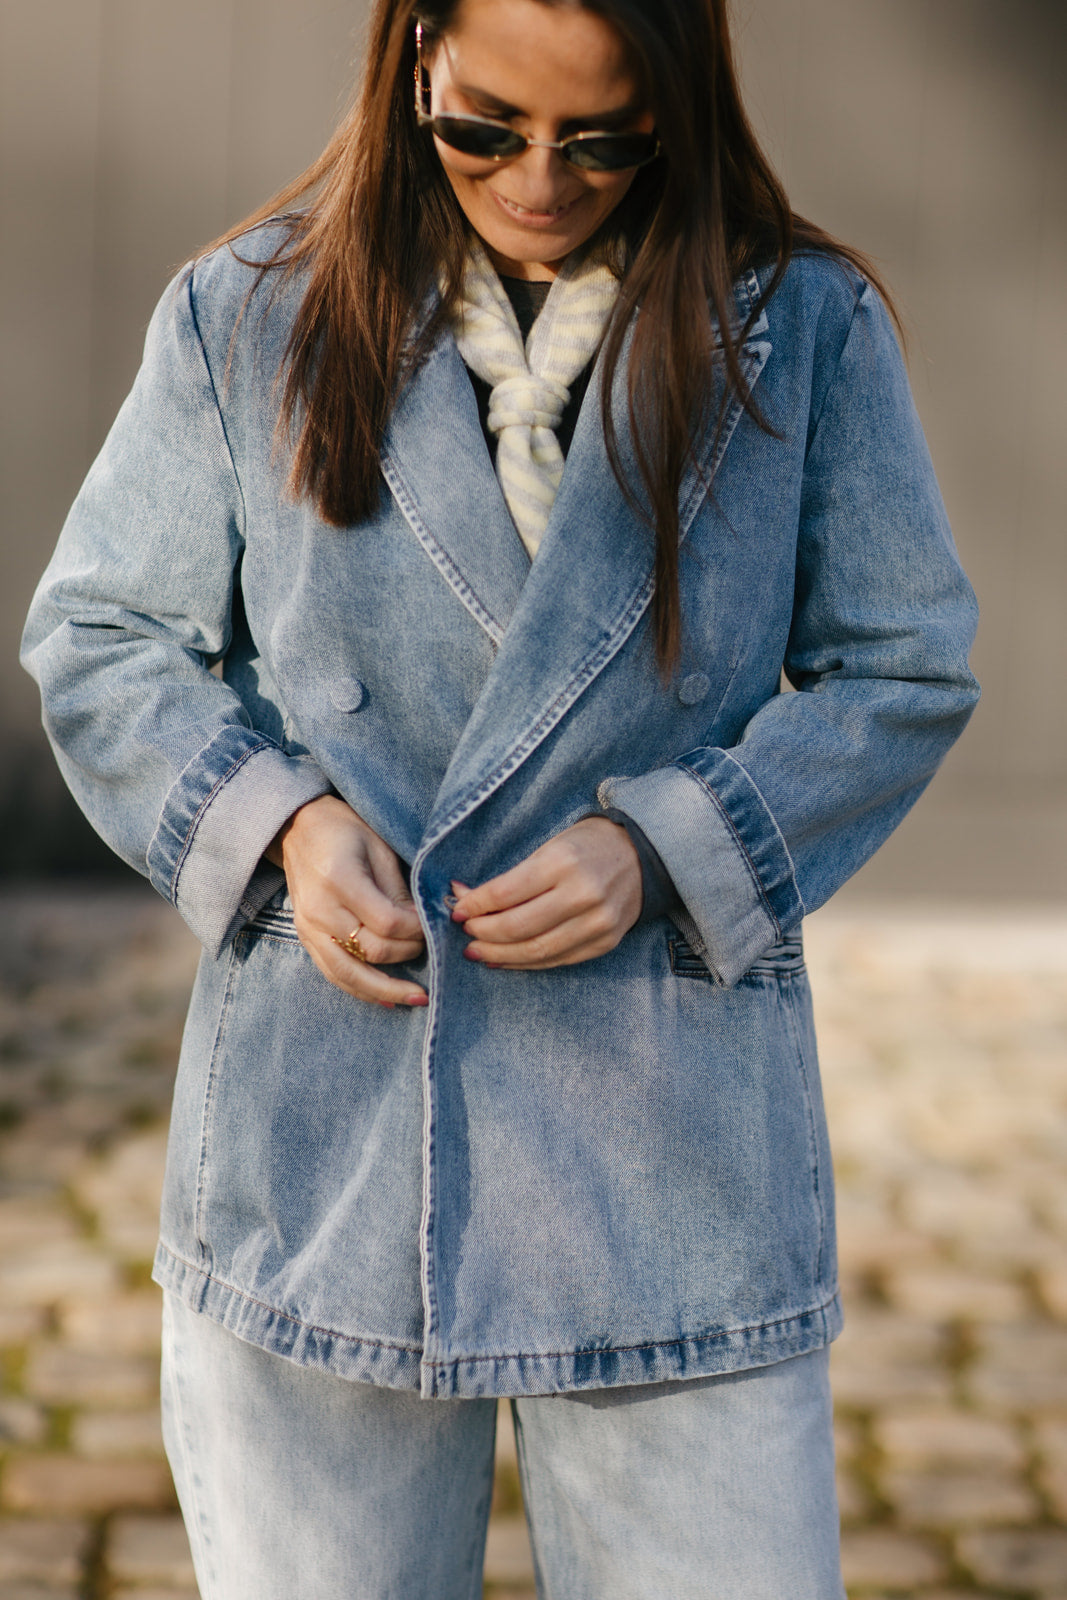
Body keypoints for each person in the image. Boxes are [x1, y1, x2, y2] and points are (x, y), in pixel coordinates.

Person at [22, 0, 979, 1593]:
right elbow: (101, 633)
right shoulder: (247, 315)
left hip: (667, 1152)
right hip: (331, 1131)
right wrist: (279, 827)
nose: (541, 178)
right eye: (487, 128)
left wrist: (669, 845)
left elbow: (906, 663)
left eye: (601, 136)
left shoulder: (797, 327)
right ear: (414, 70)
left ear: (676, 103)